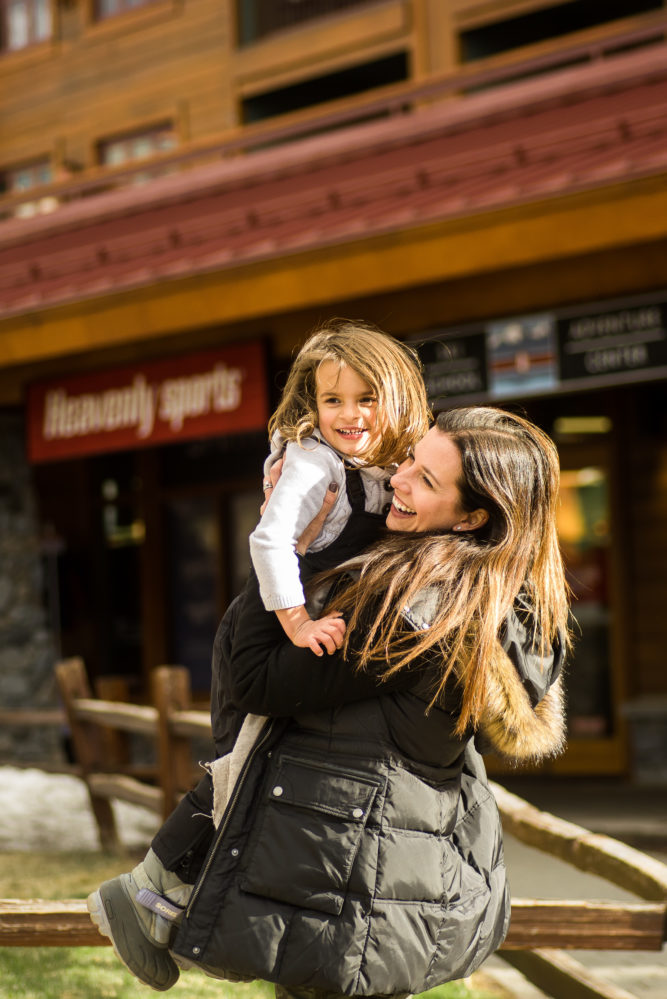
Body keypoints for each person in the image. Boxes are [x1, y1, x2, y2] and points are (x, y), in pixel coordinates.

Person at [88, 405, 569, 997]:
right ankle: (153, 888)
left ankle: (153, 888)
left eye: (426, 479)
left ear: (472, 518)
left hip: (347, 882)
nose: (399, 478)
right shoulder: (493, 597)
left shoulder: (414, 610)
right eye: (412, 458)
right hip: (380, 872)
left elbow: (256, 681)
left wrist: (292, 552)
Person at [248, 317, 430, 654]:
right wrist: (299, 623)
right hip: (289, 628)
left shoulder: (393, 463)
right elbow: (270, 540)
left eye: (367, 399)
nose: (350, 414)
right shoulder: (314, 462)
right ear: (313, 403)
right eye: (333, 400)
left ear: (398, 400)